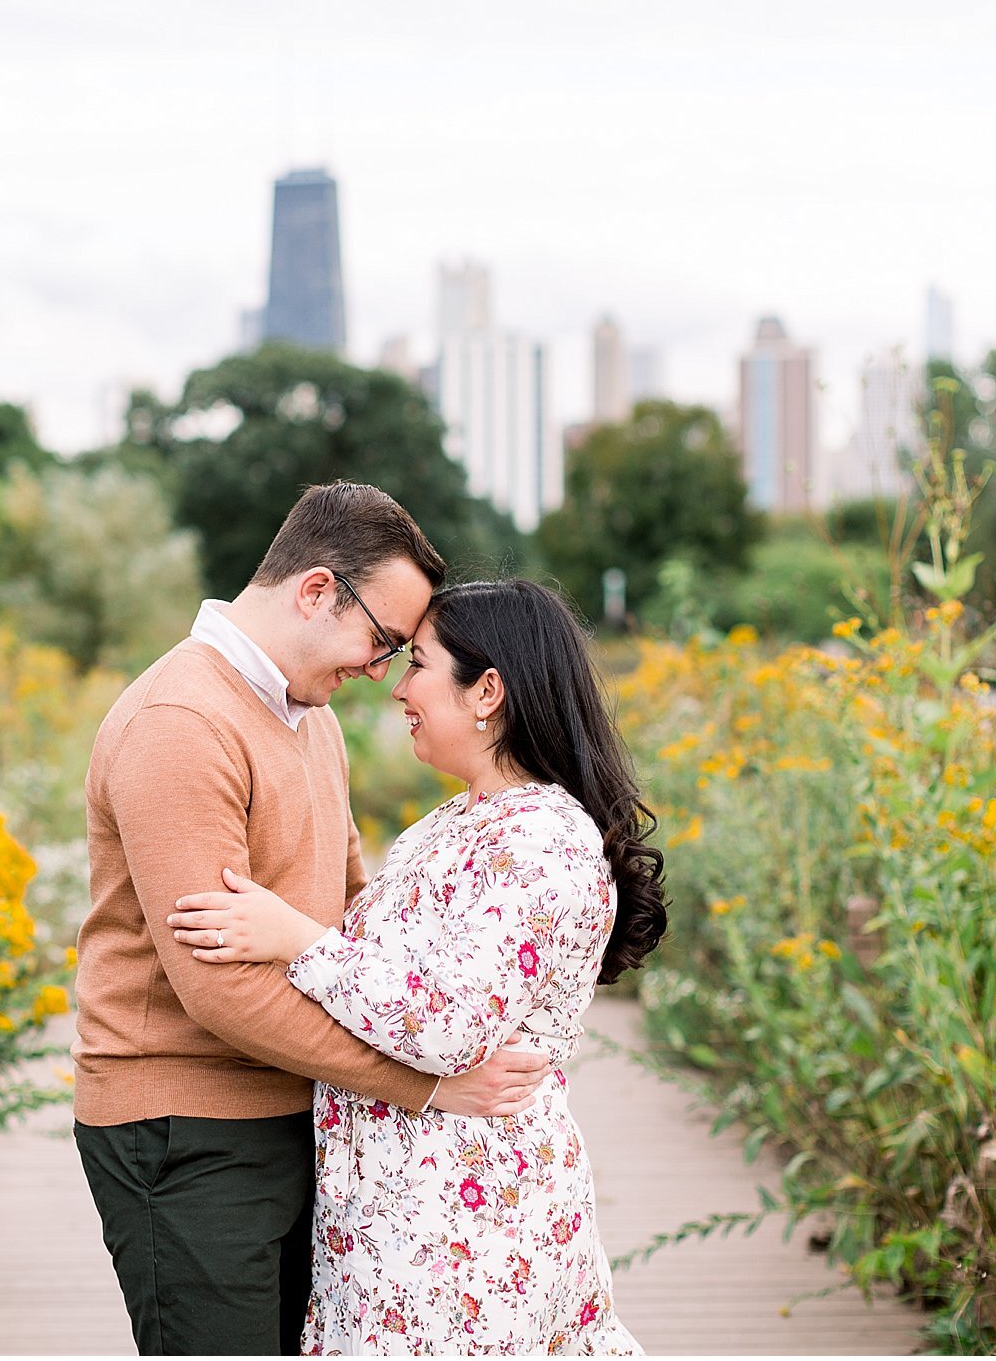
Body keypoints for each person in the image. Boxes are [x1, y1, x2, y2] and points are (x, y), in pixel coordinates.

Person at [74, 484, 559, 1357]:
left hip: (303, 1110)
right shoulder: (182, 721)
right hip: (187, 1124)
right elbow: (218, 990)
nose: (381, 673)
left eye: (399, 653)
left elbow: (350, 928)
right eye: (381, 642)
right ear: (314, 590)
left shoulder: (309, 718)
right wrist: (428, 1085)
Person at [167, 578, 669, 1354]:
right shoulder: (456, 824)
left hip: (468, 1232)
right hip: (404, 1224)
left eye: (420, 665)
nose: (397, 686)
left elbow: (448, 1025)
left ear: (488, 691)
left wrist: (296, 938)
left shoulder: (541, 843)